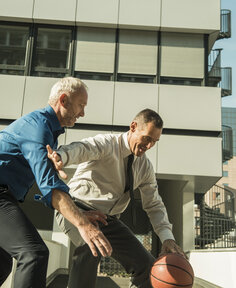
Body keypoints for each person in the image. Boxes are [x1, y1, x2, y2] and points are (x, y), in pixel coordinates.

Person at [47, 108, 185, 288]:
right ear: (133, 127)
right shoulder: (107, 144)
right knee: (92, 245)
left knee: (147, 266)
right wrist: (61, 156)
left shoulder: (144, 167)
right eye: (147, 138)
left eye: (154, 141)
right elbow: (82, 148)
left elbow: (154, 205)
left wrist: (167, 237)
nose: (149, 146)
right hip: (76, 210)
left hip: (108, 221)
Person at [0, 77, 112, 288]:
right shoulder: (38, 127)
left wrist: (77, 213)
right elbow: (50, 186)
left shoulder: (48, 133)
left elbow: (50, 189)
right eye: (81, 105)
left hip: (6, 195)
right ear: (64, 100)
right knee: (34, 253)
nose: (83, 113)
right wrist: (82, 224)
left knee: (2, 263)